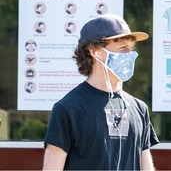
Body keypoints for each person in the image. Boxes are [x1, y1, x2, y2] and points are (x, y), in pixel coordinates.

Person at [43, 14, 159, 170]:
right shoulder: (68, 108)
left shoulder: (139, 109)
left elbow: (146, 166)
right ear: (93, 51)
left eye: (131, 49)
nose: (130, 55)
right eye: (122, 48)